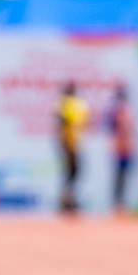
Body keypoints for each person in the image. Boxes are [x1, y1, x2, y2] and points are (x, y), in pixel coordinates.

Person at [56, 82, 90, 214]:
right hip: (70, 143)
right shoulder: (67, 103)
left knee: (73, 172)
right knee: (72, 172)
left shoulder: (69, 103)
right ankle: (67, 200)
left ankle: (69, 199)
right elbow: (62, 123)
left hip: (74, 142)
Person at [108, 84, 134, 212]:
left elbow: (129, 130)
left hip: (126, 148)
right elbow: (117, 129)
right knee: (119, 175)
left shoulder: (127, 111)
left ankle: (121, 201)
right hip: (120, 148)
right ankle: (117, 201)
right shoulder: (117, 112)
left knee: (123, 175)